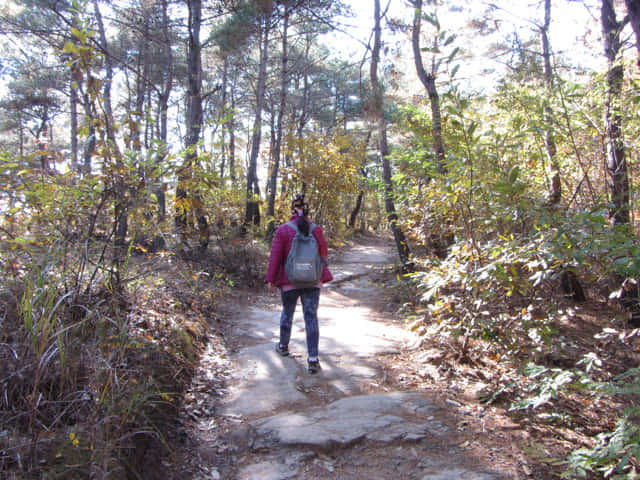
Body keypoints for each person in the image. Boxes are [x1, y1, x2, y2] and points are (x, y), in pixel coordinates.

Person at [265, 193, 333, 374]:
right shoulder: (316, 229)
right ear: (308, 210)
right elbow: (324, 253)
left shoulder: (283, 230)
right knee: (311, 317)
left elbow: (275, 257)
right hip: (312, 280)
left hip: (289, 280)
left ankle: (283, 346)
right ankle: (313, 359)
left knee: (287, 312)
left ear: (292, 209)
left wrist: (271, 279)